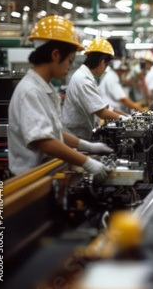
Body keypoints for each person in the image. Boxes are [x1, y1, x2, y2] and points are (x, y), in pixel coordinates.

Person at [8, 15, 112, 180]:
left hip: (45, 173)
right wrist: (87, 162)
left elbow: (55, 134)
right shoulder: (31, 91)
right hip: (28, 181)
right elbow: (45, 142)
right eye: (70, 61)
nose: (70, 68)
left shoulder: (44, 88)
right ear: (56, 55)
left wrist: (86, 146)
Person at [61, 38, 129, 140]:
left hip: (80, 135)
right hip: (74, 137)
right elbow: (101, 112)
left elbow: (103, 106)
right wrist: (126, 120)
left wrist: (127, 116)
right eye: (106, 65)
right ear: (102, 62)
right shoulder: (83, 80)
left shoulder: (87, 77)